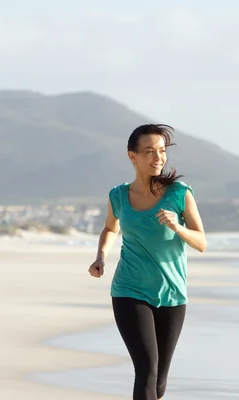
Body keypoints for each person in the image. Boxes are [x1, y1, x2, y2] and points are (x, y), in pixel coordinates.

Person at [88, 123, 207, 400]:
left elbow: (201, 242)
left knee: (159, 381)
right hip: (130, 290)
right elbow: (110, 228)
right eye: (149, 152)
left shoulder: (180, 193)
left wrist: (178, 227)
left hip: (172, 293)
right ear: (133, 156)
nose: (158, 158)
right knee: (146, 369)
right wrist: (100, 257)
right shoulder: (118, 195)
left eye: (162, 151)